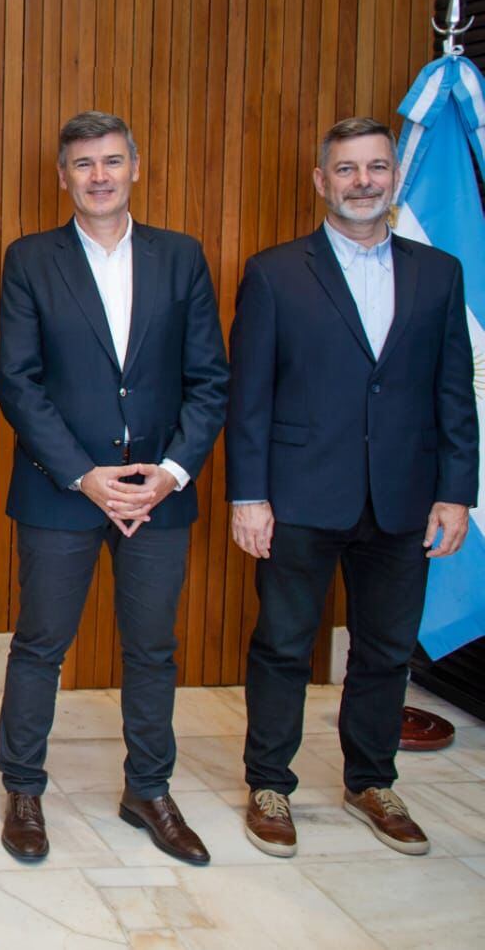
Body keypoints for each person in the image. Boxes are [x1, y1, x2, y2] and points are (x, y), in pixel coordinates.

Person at [228, 116, 478, 858]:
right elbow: (251, 397)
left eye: (376, 167)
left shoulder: (441, 274)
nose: (363, 181)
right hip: (301, 494)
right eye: (347, 169)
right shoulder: (275, 272)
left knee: (386, 648)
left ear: (395, 176)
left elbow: (454, 390)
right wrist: (249, 496)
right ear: (321, 181)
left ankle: (371, 779)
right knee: (283, 643)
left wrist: (457, 491)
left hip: (405, 497)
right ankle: (270, 781)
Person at [0, 111, 228, 865]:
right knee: (40, 645)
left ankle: (149, 790)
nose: (99, 175)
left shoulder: (181, 257)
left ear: (135, 168)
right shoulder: (30, 259)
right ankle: (24, 788)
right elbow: (18, 384)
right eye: (84, 164)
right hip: (62, 489)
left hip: (159, 493)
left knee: (153, 649)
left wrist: (171, 472)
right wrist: (87, 475)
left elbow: (209, 380)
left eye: (112, 161)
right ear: (63, 176)